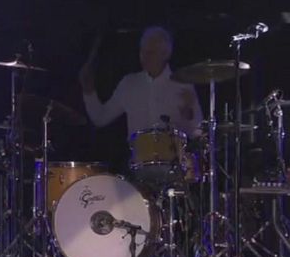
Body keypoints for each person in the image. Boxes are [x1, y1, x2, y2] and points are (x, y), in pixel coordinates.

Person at [79, 26, 204, 184]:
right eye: (142, 51)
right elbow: (100, 118)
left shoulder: (182, 84)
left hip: (174, 170)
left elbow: (198, 132)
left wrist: (188, 114)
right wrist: (89, 91)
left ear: (165, 54)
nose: (144, 57)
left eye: (150, 52)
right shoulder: (129, 83)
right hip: (138, 170)